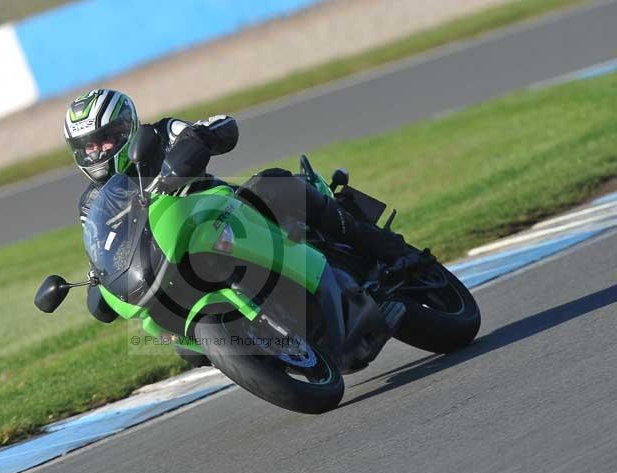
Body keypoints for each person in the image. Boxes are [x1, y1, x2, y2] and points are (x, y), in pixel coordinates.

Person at [64, 89, 424, 324]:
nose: (98, 153)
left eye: (105, 141)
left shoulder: (160, 134)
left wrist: (203, 135)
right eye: (88, 147)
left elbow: (216, 128)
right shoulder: (93, 202)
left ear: (127, 129)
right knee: (162, 328)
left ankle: (389, 250)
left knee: (273, 182)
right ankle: (252, 347)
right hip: (175, 260)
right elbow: (104, 246)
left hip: (225, 215)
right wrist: (99, 279)